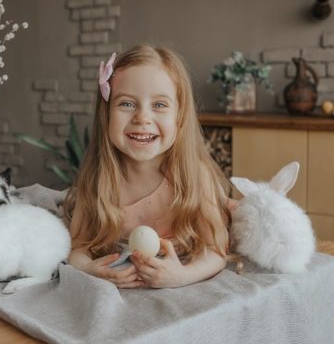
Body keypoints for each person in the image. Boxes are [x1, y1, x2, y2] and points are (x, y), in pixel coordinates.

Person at [65, 44, 233, 288]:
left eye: (159, 105)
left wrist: (182, 276)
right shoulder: (98, 180)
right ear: (107, 114)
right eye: (127, 104)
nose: (142, 118)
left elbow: (215, 251)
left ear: (180, 117)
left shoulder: (194, 177)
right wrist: (91, 269)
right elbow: (77, 250)